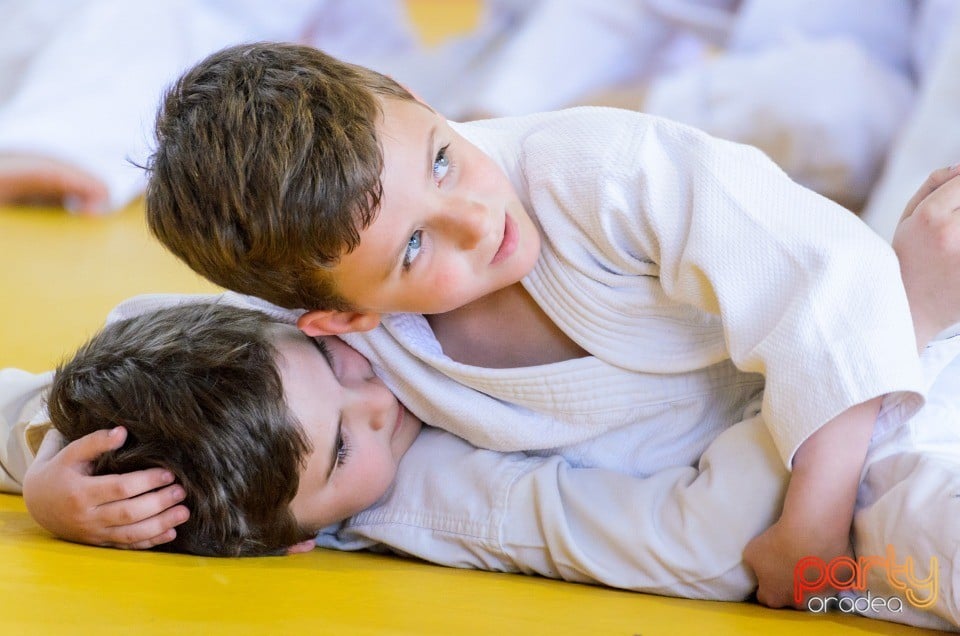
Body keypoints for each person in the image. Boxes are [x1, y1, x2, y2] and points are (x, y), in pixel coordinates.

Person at [140, 42, 953, 608]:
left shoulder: (597, 171)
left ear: (412, 95)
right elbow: (156, 366)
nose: (473, 218)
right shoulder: (340, 342)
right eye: (416, 247)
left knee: (918, 517)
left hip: (871, 400)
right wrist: (50, 469)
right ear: (335, 315)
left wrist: (813, 515)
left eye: (442, 161)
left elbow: (823, 277)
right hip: (751, 492)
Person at [7, 285, 960, 631]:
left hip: (820, 351)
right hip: (861, 475)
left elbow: (111, 340)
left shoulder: (323, 331)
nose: (377, 398)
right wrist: (881, 335)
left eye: (336, 364)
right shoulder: (433, 497)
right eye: (348, 447)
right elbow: (714, 549)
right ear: (303, 539)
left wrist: (49, 456)